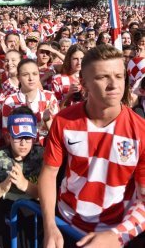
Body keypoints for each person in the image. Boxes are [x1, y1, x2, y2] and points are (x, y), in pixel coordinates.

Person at [39, 45, 145, 248]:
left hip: (116, 233)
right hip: (66, 225)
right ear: (84, 83)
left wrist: (118, 235)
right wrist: (49, 224)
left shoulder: (141, 131)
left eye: (119, 76)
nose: (113, 84)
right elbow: (49, 173)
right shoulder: (63, 120)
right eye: (102, 77)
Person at [0, 106, 44, 247]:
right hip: (6, 216)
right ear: (9, 136)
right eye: (18, 137)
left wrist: (25, 185)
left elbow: (49, 195)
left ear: (34, 137)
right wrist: (2, 187)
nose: (23, 143)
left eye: (27, 137)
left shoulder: (41, 156)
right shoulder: (0, 157)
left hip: (34, 217)